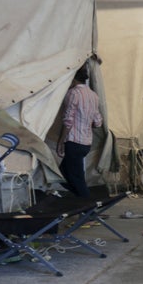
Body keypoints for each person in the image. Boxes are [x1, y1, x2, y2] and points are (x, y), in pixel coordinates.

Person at [57, 67, 103, 198]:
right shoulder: (94, 96)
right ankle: (80, 199)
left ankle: (88, 205)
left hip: (73, 141)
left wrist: (61, 141)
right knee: (67, 173)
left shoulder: (73, 94)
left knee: (74, 177)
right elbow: (98, 122)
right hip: (86, 142)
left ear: (73, 78)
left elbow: (68, 121)